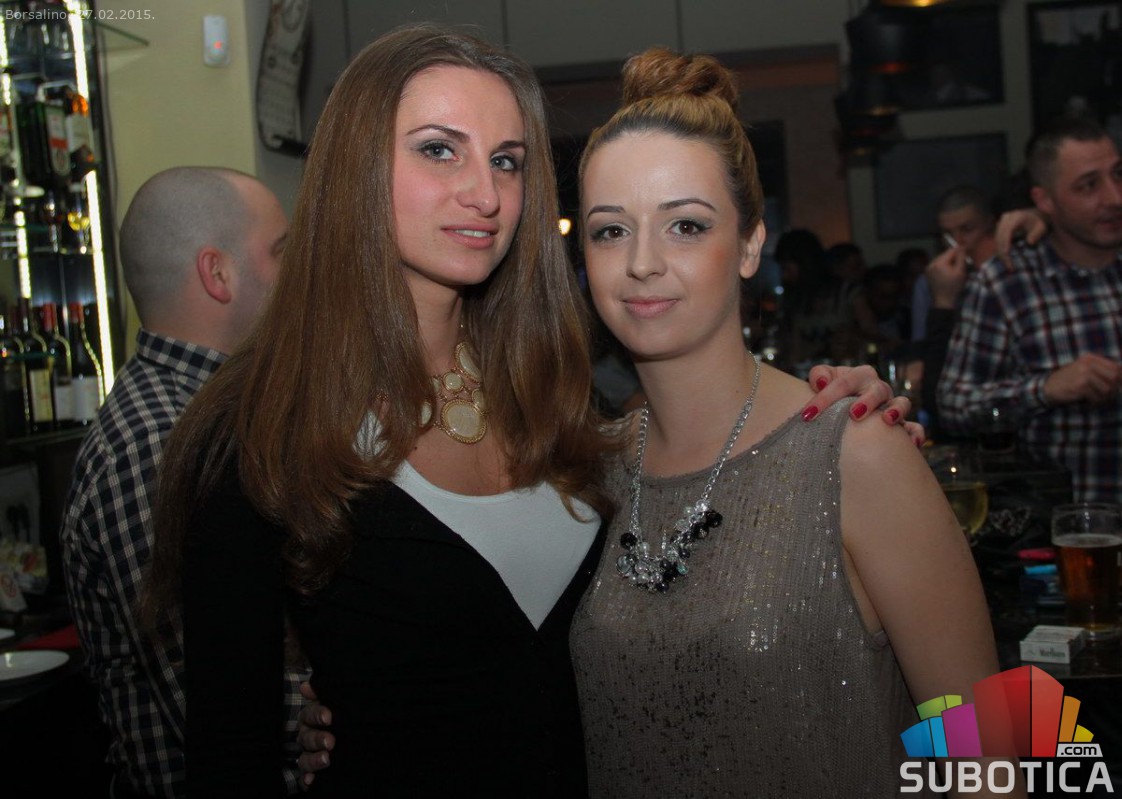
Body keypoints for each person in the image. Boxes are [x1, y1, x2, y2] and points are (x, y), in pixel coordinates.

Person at [141, 27, 917, 797]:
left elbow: (964, 712)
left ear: (751, 244)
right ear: (356, 166)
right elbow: (230, 753)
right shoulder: (262, 431)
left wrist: (843, 441)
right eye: (439, 150)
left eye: (507, 161)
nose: (485, 194)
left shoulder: (557, 399)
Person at [569, 48, 1001, 796]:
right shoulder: (593, 469)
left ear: (749, 245)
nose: (641, 262)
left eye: (685, 226)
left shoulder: (853, 448)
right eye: (610, 231)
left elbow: (986, 760)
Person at [59, 167, 300, 798]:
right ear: (218, 274)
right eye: (281, 252)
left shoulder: (213, 414)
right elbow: (218, 701)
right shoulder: (160, 443)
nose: (299, 274)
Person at [938, 115, 1122, 502]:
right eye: (1088, 185)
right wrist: (1046, 388)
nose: (1114, 197)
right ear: (1045, 200)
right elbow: (954, 405)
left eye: (1118, 175)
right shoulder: (1008, 283)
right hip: (1077, 520)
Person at [912, 185, 999, 436]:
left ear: (991, 226)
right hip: (953, 418)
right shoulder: (930, 281)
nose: (957, 243)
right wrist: (943, 301)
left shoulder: (1010, 278)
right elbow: (929, 366)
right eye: (947, 234)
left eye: (967, 230)